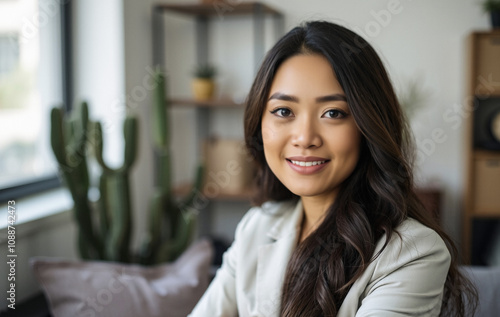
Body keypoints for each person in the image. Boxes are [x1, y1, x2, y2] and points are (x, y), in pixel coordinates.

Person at [189, 20, 477, 317]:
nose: (305, 138)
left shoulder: (412, 253)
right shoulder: (257, 227)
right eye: (283, 111)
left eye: (333, 113)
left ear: (368, 126)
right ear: (259, 122)